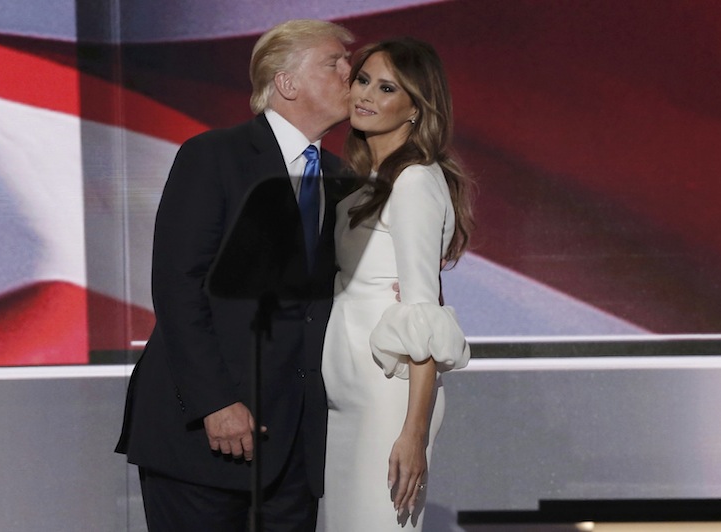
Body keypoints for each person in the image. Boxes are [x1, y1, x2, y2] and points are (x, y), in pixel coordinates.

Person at [115, 19, 355, 531]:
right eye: (334, 62)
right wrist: (216, 402)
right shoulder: (213, 156)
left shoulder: (340, 180)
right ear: (287, 83)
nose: (349, 73)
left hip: (294, 447)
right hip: (205, 433)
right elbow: (179, 286)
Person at [318, 37, 474, 531]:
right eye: (362, 80)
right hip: (346, 395)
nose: (365, 95)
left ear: (415, 109)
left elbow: (424, 313)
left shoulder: (413, 182)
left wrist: (413, 432)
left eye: (386, 88)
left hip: (387, 399)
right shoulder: (370, 180)